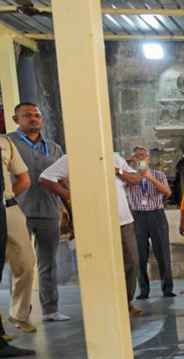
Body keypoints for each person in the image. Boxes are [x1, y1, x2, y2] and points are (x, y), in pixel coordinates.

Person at [40, 153, 143, 316]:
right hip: (93, 222)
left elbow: (136, 179)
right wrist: (69, 195)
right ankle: (106, 306)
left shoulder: (114, 156)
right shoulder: (71, 157)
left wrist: (117, 170)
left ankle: (126, 303)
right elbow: (45, 179)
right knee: (99, 266)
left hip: (123, 220)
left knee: (132, 261)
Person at [10, 102, 67, 322]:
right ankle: (20, 314)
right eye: (27, 116)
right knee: (21, 264)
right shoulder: (8, 143)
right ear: (17, 120)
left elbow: (62, 178)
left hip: (48, 211)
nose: (33, 119)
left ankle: (51, 310)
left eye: (37, 115)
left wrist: (68, 206)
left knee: (48, 263)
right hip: (18, 212)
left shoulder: (54, 148)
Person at [126, 146, 175, 299]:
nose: (141, 158)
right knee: (140, 255)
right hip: (138, 216)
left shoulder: (158, 174)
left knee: (162, 252)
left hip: (156, 214)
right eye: (137, 156)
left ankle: (167, 288)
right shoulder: (130, 176)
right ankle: (144, 290)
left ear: (148, 158)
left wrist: (149, 177)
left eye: (143, 156)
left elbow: (168, 192)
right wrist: (127, 163)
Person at [1, 134, 35, 333]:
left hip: (8, 208)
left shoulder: (5, 142)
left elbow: (24, 179)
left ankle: (19, 314)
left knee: (26, 263)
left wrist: (6, 198)